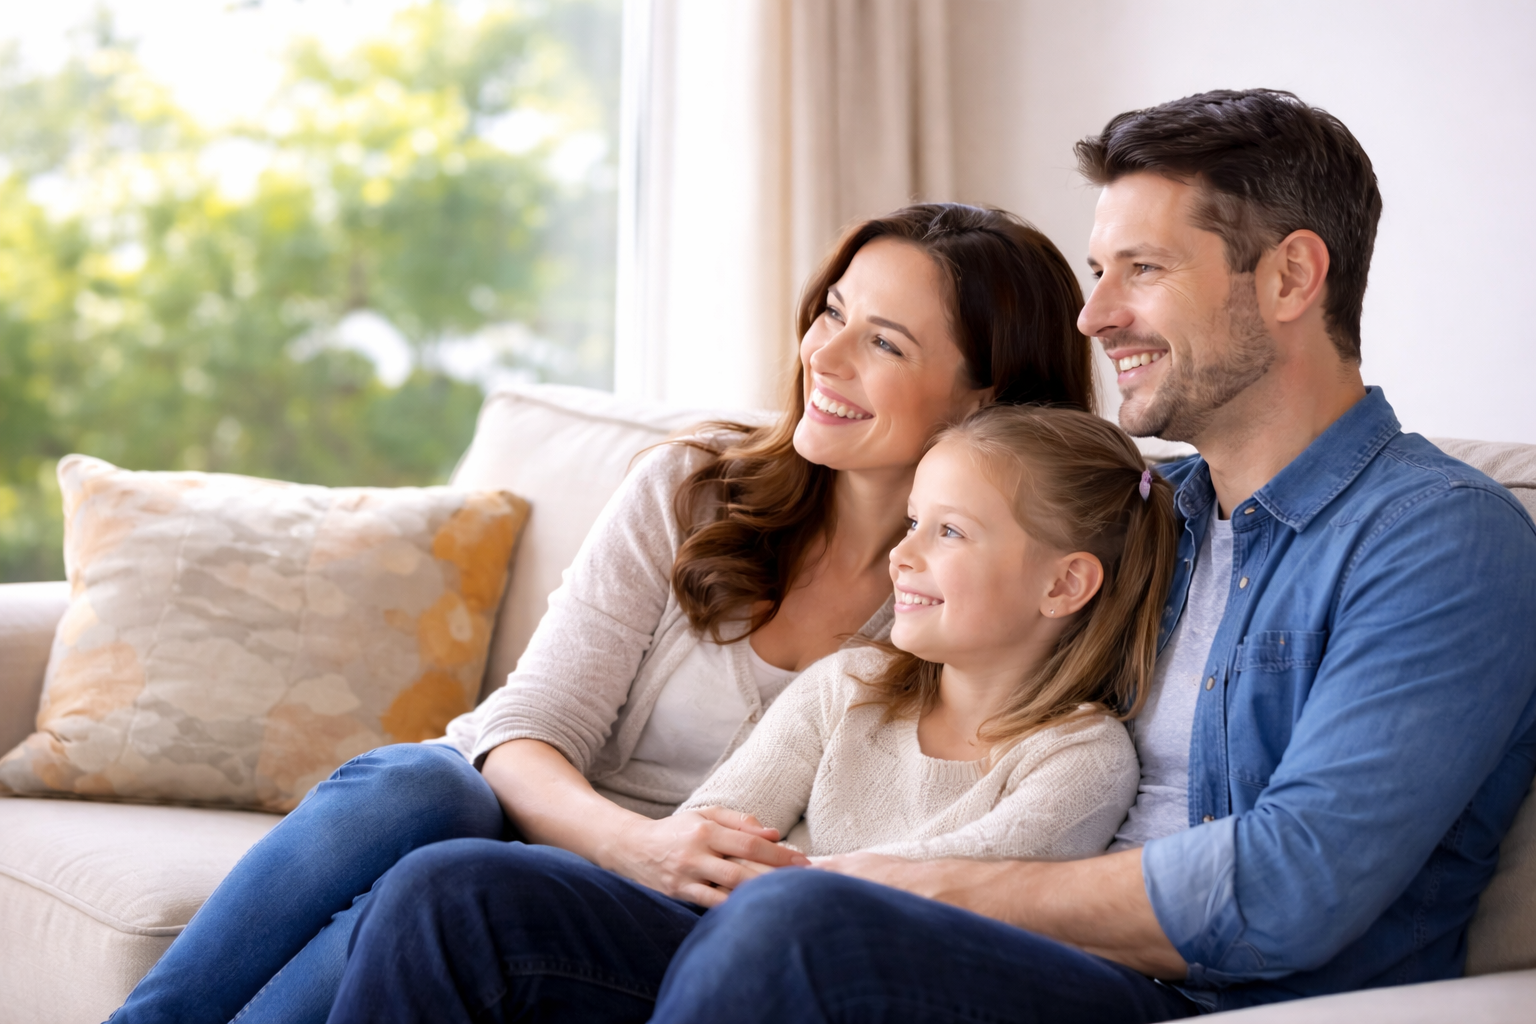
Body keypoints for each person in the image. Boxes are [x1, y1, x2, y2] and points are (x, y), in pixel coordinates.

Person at [632, 89, 1536, 1022]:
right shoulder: (1142, 513)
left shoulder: (1438, 540)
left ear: (1291, 277)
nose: (1092, 316)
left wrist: (906, 884)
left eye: (1141, 268)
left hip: (1195, 996)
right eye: (1099, 270)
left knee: (797, 926)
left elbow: (1289, 884)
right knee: (481, 900)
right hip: (994, 952)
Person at [107, 203, 1095, 1024]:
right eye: (830, 312)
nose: (822, 355)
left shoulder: (974, 599)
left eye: (881, 341)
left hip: (625, 919)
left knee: (445, 878)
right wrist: (634, 841)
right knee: (424, 787)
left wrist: (661, 868)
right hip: (535, 817)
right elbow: (525, 725)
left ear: (982, 397)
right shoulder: (692, 489)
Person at [322, 404, 1180, 1023]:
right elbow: (710, 834)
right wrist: (731, 867)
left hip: (839, 980)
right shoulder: (849, 684)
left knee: (779, 924)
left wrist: (775, 877)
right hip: (722, 935)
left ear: (1064, 583)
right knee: (453, 884)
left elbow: (935, 894)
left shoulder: (1080, 757)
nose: (902, 553)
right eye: (912, 522)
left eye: (949, 533)